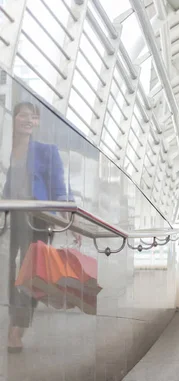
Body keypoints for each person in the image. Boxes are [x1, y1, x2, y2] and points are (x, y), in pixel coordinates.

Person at [2, 101, 74, 353]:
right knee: (8, 272)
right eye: (22, 114)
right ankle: (14, 320)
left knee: (29, 272)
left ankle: (16, 329)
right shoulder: (5, 149)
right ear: (13, 118)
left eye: (33, 117)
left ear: (37, 122)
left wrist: (68, 217)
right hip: (8, 217)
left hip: (37, 218)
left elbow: (58, 187)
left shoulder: (45, 151)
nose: (28, 120)